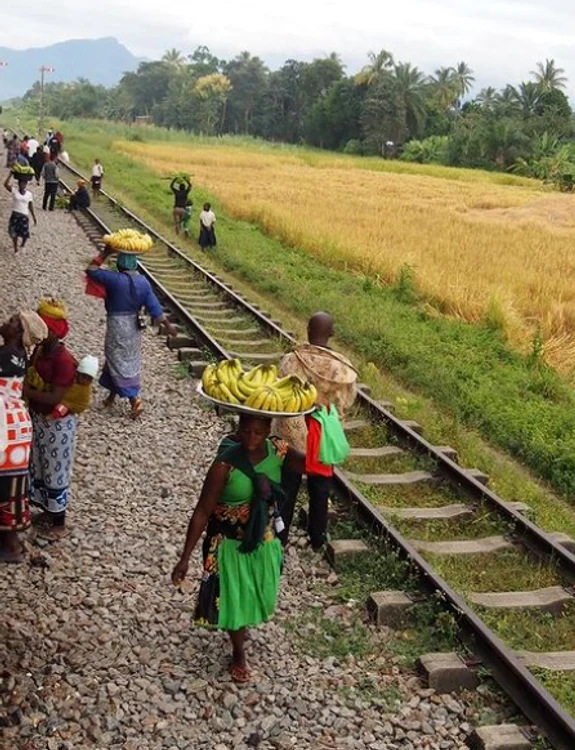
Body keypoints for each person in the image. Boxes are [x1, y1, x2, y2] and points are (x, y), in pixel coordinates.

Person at [172, 415, 305, 683]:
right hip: (228, 545)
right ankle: (238, 652)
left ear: (269, 431)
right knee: (234, 599)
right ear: (238, 429)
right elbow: (202, 511)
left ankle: (241, 628)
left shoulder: (278, 450)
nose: (251, 439)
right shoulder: (224, 465)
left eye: (258, 433)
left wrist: (314, 424)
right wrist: (184, 558)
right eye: (245, 432)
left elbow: (308, 464)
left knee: (262, 595)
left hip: (263, 540)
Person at [272, 312, 358, 550]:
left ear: (308, 330)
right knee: (320, 488)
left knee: (287, 485)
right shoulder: (342, 368)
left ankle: (280, 535)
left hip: (293, 427)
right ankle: (317, 537)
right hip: (322, 433)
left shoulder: (292, 360)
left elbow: (279, 391)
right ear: (331, 334)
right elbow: (346, 403)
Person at [85, 247, 177, 418]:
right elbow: (155, 308)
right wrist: (168, 327)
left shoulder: (114, 279)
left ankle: (134, 400)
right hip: (134, 329)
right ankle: (111, 396)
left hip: (117, 327)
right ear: (135, 264)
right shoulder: (143, 282)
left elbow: (91, 270)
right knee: (124, 360)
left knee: (116, 359)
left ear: (120, 263)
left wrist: (105, 253)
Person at [24, 299, 78, 540]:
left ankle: (59, 522)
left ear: (53, 331)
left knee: (55, 468)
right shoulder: (40, 350)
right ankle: (46, 509)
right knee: (38, 463)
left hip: (56, 425)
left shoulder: (64, 360)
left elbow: (55, 396)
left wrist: (23, 392)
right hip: (39, 419)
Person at [0, 311, 48, 563]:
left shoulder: (6, 355)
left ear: (20, 333)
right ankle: (11, 540)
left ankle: (10, 547)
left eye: (12, 322)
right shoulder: (20, 356)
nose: (5, 323)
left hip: (4, 427)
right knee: (10, 483)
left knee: (4, 486)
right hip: (14, 425)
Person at [51, 355, 98, 419]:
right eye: (84, 377)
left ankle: (52, 416)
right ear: (78, 373)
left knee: (62, 408)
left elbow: (82, 403)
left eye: (89, 379)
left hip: (71, 405)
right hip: (60, 398)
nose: (85, 380)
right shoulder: (71, 376)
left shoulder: (85, 389)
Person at [3, 173, 37, 253]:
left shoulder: (29, 194)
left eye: (24, 183)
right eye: (21, 183)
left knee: (25, 233)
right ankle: (15, 248)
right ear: (18, 184)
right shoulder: (14, 191)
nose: (23, 185)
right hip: (15, 215)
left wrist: (34, 217)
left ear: (26, 184)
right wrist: (10, 174)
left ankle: (23, 244)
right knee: (14, 233)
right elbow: (5, 184)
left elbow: (30, 206)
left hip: (24, 215)